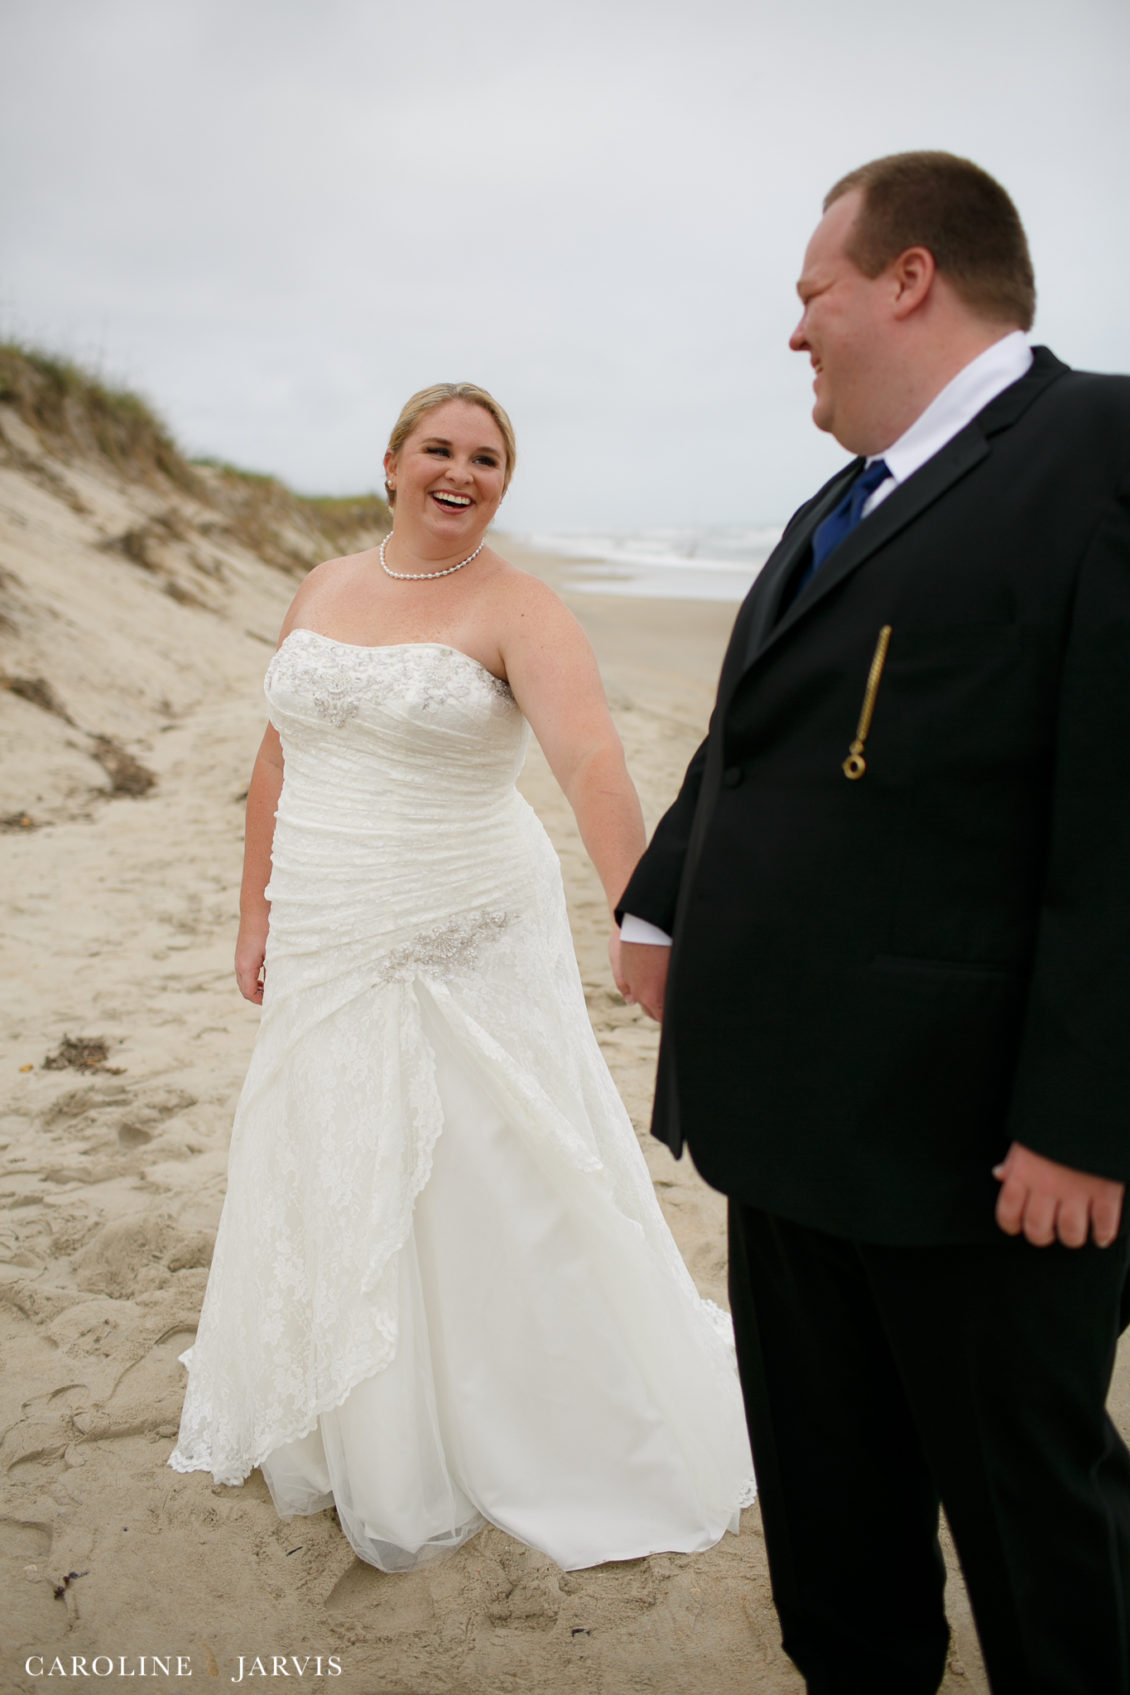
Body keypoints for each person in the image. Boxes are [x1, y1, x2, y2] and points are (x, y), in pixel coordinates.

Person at [616, 153, 1130, 1693]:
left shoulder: (1100, 450)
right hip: (787, 1126)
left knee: (1036, 1530)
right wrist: (662, 888)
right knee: (835, 1531)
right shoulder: (842, 495)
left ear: (907, 276)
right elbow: (757, 724)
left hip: (981, 1151)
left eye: (810, 296)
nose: (796, 336)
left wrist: (1085, 1119)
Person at [170, 381, 753, 1572]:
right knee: (332, 1146)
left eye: (487, 459)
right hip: (327, 914)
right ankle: (355, 1415)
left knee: (490, 1159)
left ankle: (516, 1414)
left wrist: (641, 917)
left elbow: (591, 760)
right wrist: (253, 909)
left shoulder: (520, 607)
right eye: (439, 450)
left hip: (464, 919)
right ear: (389, 463)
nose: (462, 472)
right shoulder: (323, 587)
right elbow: (280, 752)